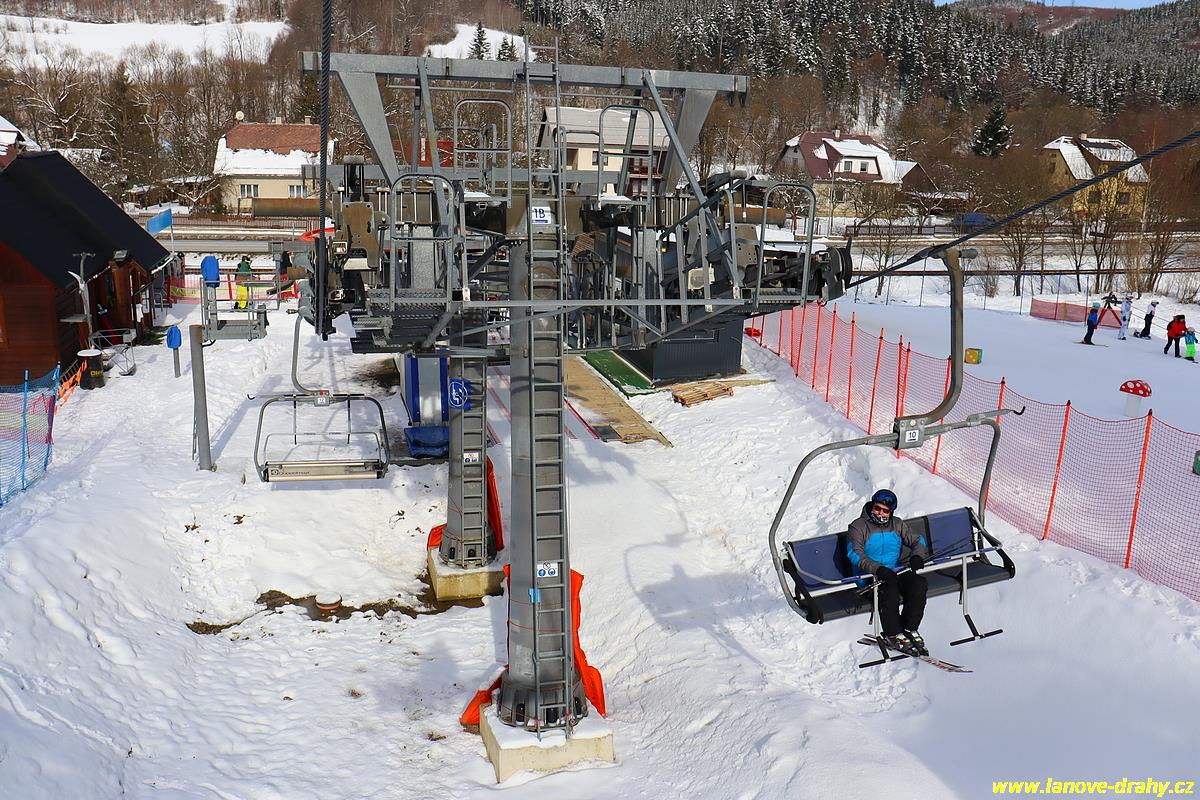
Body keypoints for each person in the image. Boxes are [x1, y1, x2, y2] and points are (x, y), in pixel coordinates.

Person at [845, 489, 931, 655]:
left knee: (918, 584)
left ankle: (909, 628)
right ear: (872, 506)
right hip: (870, 575)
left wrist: (917, 556)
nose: (880, 513)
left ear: (891, 512)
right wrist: (878, 569)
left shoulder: (897, 524)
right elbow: (855, 554)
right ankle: (893, 634)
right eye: (877, 508)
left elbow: (917, 540)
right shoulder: (858, 527)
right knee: (889, 592)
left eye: (885, 511)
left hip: (894, 570)